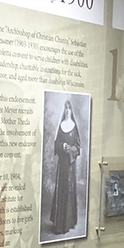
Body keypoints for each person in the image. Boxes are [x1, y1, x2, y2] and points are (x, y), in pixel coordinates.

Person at [49, 100, 81, 235]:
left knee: (69, 190)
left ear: (71, 111)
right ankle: (59, 224)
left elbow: (78, 147)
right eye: (65, 108)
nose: (67, 110)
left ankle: (68, 223)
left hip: (70, 165)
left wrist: (71, 149)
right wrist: (62, 146)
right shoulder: (61, 126)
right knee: (61, 189)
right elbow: (56, 144)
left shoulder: (74, 127)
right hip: (62, 164)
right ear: (64, 110)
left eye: (69, 108)